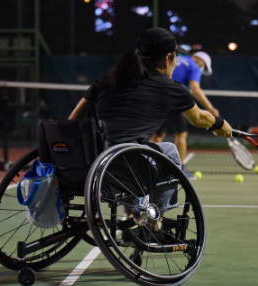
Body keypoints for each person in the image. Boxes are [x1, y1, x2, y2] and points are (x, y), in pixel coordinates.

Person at [68, 27, 232, 227]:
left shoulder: (109, 77)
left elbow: (74, 119)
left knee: (133, 152)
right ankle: (154, 219)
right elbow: (199, 119)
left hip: (86, 162)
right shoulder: (172, 89)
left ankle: (132, 217)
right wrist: (220, 124)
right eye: (175, 56)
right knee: (168, 150)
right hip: (121, 166)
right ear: (167, 58)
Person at [149, 51, 219, 179]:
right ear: (198, 60)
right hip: (173, 97)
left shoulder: (176, 59)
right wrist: (210, 108)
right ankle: (178, 170)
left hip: (155, 96)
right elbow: (195, 89)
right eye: (203, 65)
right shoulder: (193, 66)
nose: (201, 69)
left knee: (158, 134)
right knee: (181, 134)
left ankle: (147, 165)